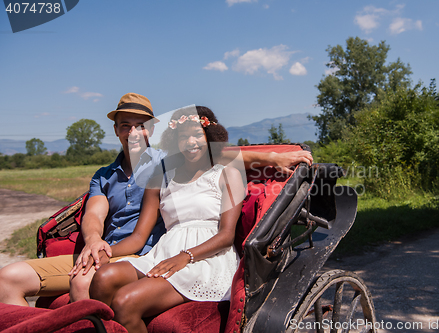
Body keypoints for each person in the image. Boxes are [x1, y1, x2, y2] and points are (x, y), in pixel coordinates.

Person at [0, 94, 313, 306]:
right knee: (8, 278)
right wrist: (94, 242)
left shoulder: (169, 162)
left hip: (152, 251)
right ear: (116, 130)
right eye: (126, 125)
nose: (133, 132)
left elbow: (220, 154)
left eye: (140, 125)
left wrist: (272, 156)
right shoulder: (104, 175)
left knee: (83, 283)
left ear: (150, 130)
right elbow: (93, 215)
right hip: (108, 249)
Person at [90, 106, 244, 333]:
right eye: (183, 136)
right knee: (103, 277)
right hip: (165, 253)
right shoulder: (160, 177)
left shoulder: (227, 174)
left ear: (209, 137)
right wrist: (105, 253)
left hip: (207, 258)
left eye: (197, 135)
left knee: (125, 301)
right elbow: (139, 236)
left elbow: (226, 236)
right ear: (175, 140)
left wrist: (186, 256)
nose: (191, 142)